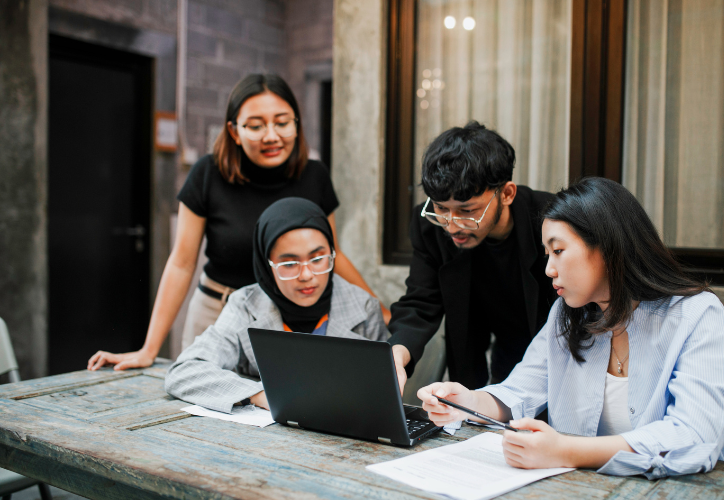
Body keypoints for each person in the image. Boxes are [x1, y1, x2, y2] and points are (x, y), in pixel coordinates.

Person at [418, 177, 724, 479]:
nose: (549, 269)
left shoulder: (698, 315)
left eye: (558, 251)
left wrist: (565, 451)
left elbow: (694, 436)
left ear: (608, 247)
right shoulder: (566, 314)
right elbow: (520, 391)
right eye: (547, 254)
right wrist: (466, 402)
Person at [88, 74, 387, 371]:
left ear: (296, 124)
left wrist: (378, 309)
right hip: (218, 311)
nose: (271, 136)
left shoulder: (314, 176)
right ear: (233, 131)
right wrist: (149, 349)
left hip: (284, 317)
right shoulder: (207, 174)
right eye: (255, 126)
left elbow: (333, 253)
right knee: (202, 388)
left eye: (282, 123)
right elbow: (182, 263)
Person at [165, 198, 389, 413]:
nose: (306, 275)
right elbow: (185, 371)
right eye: (289, 263)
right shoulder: (245, 306)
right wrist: (261, 395)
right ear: (266, 264)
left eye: (317, 259)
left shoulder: (364, 308)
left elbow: (382, 392)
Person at [388, 122, 556, 393]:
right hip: (492, 356)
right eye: (441, 208)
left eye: (467, 211)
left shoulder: (551, 222)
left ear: (507, 194)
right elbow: (420, 301)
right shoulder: (429, 227)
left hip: (556, 354)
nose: (452, 226)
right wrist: (397, 353)